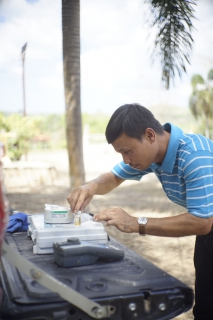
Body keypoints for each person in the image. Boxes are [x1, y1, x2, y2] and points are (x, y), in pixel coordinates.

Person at [67, 103, 213, 320]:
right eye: (121, 153)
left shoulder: (194, 155)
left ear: (150, 135)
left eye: (128, 151)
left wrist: (137, 223)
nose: (126, 159)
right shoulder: (152, 155)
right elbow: (115, 177)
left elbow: (202, 222)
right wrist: (91, 186)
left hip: (207, 224)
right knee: (205, 308)